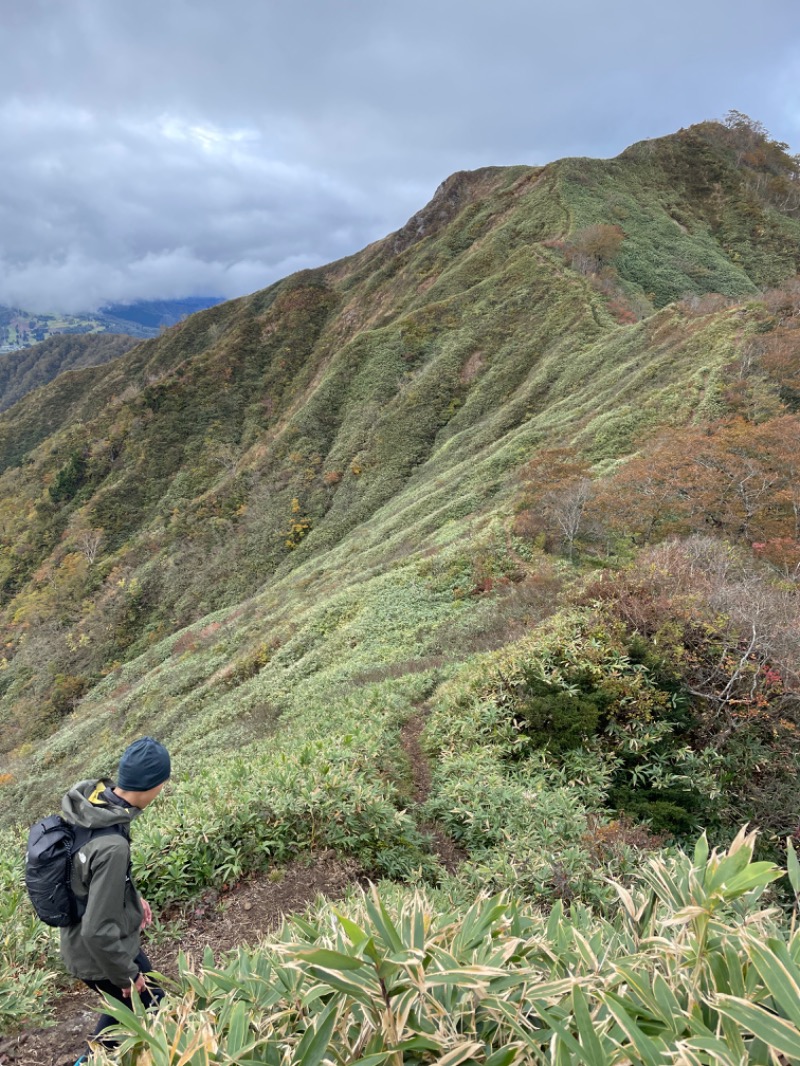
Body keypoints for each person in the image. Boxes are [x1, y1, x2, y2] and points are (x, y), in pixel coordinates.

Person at [60, 736, 171, 1064]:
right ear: (150, 786)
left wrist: (131, 897)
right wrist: (127, 975)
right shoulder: (113, 845)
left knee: (135, 1007)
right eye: (162, 783)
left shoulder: (95, 806)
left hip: (84, 939)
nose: (163, 790)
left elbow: (88, 871)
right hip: (98, 952)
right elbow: (97, 930)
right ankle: (89, 1061)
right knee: (148, 1007)